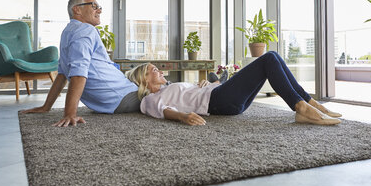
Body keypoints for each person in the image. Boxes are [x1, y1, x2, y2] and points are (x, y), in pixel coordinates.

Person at [20, 0, 141, 127]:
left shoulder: (68, 32)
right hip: (122, 95)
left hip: (114, 97)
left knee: (159, 86)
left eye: (99, 7)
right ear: (77, 9)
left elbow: (62, 75)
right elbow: (78, 72)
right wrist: (70, 114)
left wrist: (46, 107)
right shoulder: (85, 30)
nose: (99, 10)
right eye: (94, 6)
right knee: (164, 93)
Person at [125, 51, 342, 126]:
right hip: (219, 101)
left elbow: (186, 95)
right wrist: (183, 117)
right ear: (144, 79)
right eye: (154, 70)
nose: (160, 71)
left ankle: (309, 103)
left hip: (219, 95)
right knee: (267, 60)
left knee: (273, 56)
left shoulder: (169, 87)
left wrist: (203, 85)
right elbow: (164, 111)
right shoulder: (149, 100)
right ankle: (301, 108)